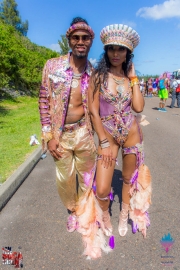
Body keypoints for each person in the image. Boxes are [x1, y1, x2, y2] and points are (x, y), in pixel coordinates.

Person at [86, 24, 151, 251]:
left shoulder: (129, 78)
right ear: (106, 51)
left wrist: (133, 79)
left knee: (126, 180)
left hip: (132, 135)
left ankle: (124, 213)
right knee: (102, 189)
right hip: (109, 138)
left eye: (121, 50)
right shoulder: (98, 76)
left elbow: (139, 106)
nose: (115, 54)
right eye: (111, 49)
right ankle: (105, 214)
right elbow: (93, 110)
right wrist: (102, 141)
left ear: (128, 53)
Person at [39, 17, 96, 233]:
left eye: (85, 38)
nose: (81, 41)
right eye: (76, 38)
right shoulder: (52, 66)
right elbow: (44, 100)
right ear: (69, 40)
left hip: (84, 132)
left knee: (87, 177)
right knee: (65, 180)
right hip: (60, 136)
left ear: (91, 40)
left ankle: (84, 211)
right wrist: (48, 136)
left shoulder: (94, 73)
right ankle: (73, 212)